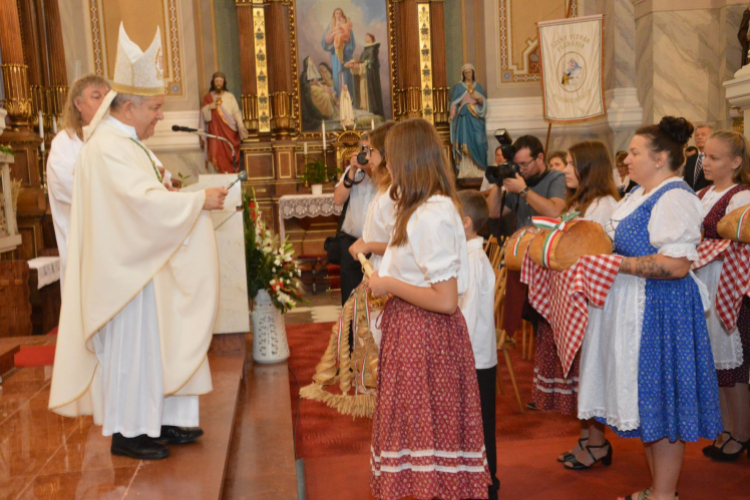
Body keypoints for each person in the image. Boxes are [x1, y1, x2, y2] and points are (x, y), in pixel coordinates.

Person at [48, 24, 229, 461]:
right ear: (128, 108)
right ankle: (130, 431)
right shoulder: (109, 147)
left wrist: (178, 198)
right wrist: (196, 201)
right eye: (155, 108)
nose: (160, 117)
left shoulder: (127, 144)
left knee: (157, 344)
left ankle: (158, 419)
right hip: (122, 277)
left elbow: (148, 196)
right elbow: (137, 204)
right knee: (136, 348)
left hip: (140, 265)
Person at [577, 117, 722, 500]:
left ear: (660, 158)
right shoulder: (638, 194)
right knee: (652, 406)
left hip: (662, 310)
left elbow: (676, 265)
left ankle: (664, 494)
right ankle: (660, 490)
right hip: (639, 306)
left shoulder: (674, 197)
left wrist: (615, 265)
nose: (627, 159)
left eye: (636, 152)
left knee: (664, 405)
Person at [366, 118, 490, 500]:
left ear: (410, 159)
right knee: (420, 431)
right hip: (415, 331)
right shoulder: (421, 207)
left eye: (393, 158)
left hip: (426, 336)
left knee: (426, 431)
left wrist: (387, 284)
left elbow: (445, 299)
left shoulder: (430, 215)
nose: (388, 166)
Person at [530, 141, 619, 469]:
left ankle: (597, 443)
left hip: (592, 302)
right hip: (574, 300)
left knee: (591, 373)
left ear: (589, 168)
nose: (565, 169)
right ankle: (586, 439)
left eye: (571, 163)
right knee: (582, 375)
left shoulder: (605, 204)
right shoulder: (582, 201)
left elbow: (597, 251)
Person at [693, 130, 750, 462]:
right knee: (717, 366)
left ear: (736, 162)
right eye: (705, 156)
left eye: (714, 157)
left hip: (728, 286)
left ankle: (741, 434)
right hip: (703, 283)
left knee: (735, 369)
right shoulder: (701, 193)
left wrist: (700, 248)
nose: (707, 162)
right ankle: (727, 429)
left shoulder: (742, 196)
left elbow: (738, 242)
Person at [47, 74, 110, 289]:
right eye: (96, 96)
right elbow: (66, 186)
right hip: (83, 246)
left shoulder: (116, 138)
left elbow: (156, 170)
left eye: (107, 96)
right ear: (78, 104)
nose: (104, 101)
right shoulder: (64, 144)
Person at [458, 189, 501, 500]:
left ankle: (487, 485)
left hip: (473, 358)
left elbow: (468, 317)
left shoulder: (473, 261)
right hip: (474, 355)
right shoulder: (469, 255)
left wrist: (457, 358)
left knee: (480, 424)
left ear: (464, 223)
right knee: (474, 422)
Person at [333, 133, 378, 305]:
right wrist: (352, 170)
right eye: (363, 150)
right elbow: (338, 200)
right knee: (350, 299)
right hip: (351, 245)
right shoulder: (352, 172)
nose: (366, 155)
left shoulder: (382, 173)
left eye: (370, 150)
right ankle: (350, 332)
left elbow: (383, 184)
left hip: (375, 246)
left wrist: (368, 169)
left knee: (374, 299)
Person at [487, 135, 566, 231]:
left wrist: (523, 191)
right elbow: (493, 212)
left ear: (540, 158)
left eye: (524, 164)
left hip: (547, 243)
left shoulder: (557, 177)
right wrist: (499, 180)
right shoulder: (520, 179)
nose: (520, 169)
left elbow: (555, 212)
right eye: (516, 164)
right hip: (523, 242)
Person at [348, 121, 396, 271]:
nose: (367, 157)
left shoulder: (394, 194)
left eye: (372, 151)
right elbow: (380, 231)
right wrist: (363, 241)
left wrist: (368, 246)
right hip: (377, 267)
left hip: (390, 271)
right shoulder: (383, 189)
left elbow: (402, 247)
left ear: (385, 152)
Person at [199, 71, 248, 174]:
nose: (218, 83)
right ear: (213, 82)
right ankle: (218, 177)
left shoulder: (230, 96)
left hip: (230, 132)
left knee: (230, 154)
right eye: (217, 81)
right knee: (214, 153)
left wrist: (241, 126)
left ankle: (229, 174)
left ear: (224, 83)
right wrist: (210, 107)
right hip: (215, 133)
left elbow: (236, 113)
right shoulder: (208, 97)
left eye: (221, 81)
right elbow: (203, 114)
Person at [450, 63, 488, 179]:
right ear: (463, 74)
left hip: (476, 116)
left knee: (479, 141)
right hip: (464, 118)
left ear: (473, 73)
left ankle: (480, 168)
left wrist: (479, 98)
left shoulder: (478, 86)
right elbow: (454, 103)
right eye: (466, 73)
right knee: (464, 143)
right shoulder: (458, 87)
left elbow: (483, 103)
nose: (468, 74)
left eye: (470, 72)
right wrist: (452, 115)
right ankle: (466, 170)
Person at [346, 33, 385, 118]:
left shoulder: (372, 49)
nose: (365, 38)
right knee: (362, 91)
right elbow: (362, 61)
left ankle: (369, 109)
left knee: (367, 92)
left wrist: (359, 65)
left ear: (371, 38)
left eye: (367, 36)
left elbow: (370, 63)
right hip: (364, 74)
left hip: (369, 75)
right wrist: (354, 64)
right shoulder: (366, 49)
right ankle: (364, 108)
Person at [322, 8, 355, 98]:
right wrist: (334, 36)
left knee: (346, 75)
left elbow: (350, 40)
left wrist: (345, 46)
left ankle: (349, 100)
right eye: (337, 13)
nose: (338, 15)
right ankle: (339, 98)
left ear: (342, 15)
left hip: (345, 55)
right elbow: (326, 41)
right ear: (334, 15)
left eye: (340, 13)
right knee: (337, 75)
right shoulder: (331, 26)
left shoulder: (345, 24)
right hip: (335, 55)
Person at [300, 56, 336, 129]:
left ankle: (330, 114)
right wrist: (312, 83)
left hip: (317, 88)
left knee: (328, 94)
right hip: (312, 91)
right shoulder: (305, 74)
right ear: (307, 62)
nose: (312, 60)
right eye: (310, 59)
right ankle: (327, 114)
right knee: (325, 96)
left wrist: (320, 84)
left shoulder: (314, 71)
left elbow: (318, 81)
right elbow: (304, 85)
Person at [683, 123, 714, 191]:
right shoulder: (691, 159)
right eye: (697, 135)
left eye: (703, 134)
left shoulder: (714, 159)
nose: (699, 137)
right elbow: (686, 181)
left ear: (711, 137)